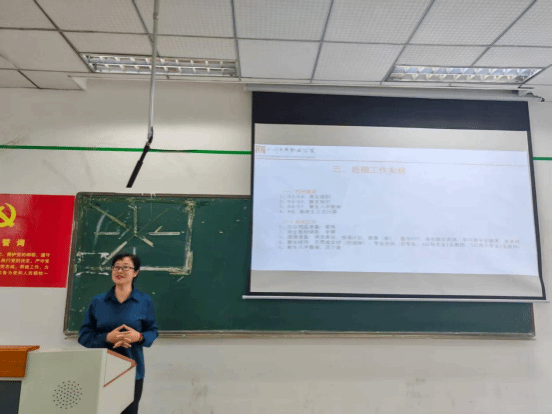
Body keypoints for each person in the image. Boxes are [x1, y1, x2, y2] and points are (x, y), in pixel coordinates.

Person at [78, 253, 158, 414]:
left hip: (132, 371)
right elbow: (84, 336)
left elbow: (152, 331)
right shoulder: (98, 302)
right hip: (101, 371)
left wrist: (139, 337)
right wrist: (106, 338)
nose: (119, 271)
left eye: (126, 267)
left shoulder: (144, 301)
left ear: (135, 272)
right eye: (116, 267)